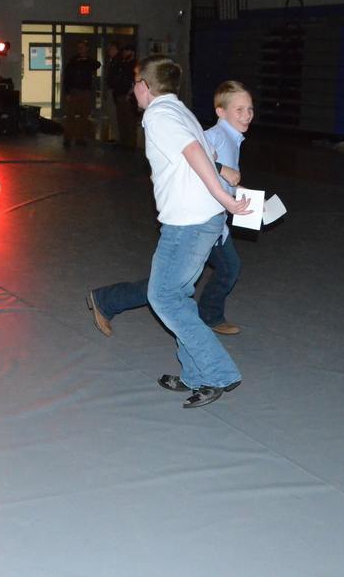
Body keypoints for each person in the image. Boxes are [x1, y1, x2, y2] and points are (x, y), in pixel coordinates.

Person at [87, 81, 253, 337]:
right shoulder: (217, 136)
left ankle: (209, 315)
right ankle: (108, 300)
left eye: (250, 109)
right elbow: (192, 157)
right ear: (221, 112)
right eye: (239, 109)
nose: (247, 115)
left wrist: (249, 199)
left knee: (217, 270)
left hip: (212, 221)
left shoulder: (233, 139)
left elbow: (220, 178)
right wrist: (221, 169)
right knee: (173, 284)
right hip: (199, 219)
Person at [136, 56, 252, 409]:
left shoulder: (158, 115)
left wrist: (224, 196)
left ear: (144, 84)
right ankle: (194, 375)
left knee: (165, 297)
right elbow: (207, 151)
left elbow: (191, 150)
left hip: (188, 221)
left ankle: (217, 372)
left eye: (134, 83)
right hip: (205, 217)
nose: (133, 90)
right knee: (180, 296)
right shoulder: (181, 110)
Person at [61, 40, 101, 148]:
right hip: (74, 91)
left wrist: (86, 60)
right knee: (70, 116)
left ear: (87, 49)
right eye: (79, 48)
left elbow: (97, 64)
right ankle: (68, 138)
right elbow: (67, 77)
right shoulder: (73, 61)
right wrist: (67, 92)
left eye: (83, 47)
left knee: (84, 116)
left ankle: (80, 138)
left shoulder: (90, 62)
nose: (81, 50)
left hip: (86, 91)